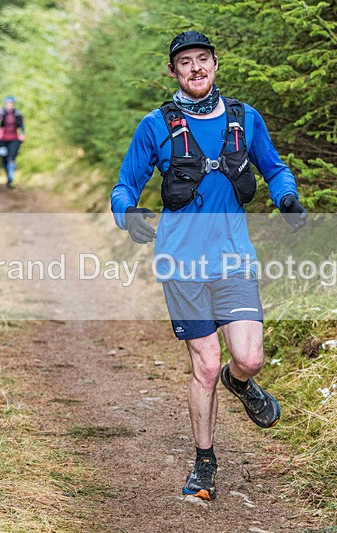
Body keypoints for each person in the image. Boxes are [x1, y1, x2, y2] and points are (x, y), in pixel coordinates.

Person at [110, 30, 308, 501]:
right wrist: (129, 215)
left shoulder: (246, 119)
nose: (195, 68)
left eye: (203, 60)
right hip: (180, 265)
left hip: (233, 259)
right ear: (174, 72)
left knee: (249, 358)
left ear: (216, 65)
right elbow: (123, 188)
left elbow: (275, 168)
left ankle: (239, 384)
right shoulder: (155, 126)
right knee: (206, 363)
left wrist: (287, 197)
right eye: (186, 63)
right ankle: (204, 463)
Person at [0, 96, 26, 188]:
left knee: (11, 158)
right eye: (8, 103)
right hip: (2, 139)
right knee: (4, 158)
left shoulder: (17, 114)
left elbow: (22, 125)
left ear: (13, 104)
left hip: (14, 138)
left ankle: (10, 178)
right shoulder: (0, 113)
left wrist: (23, 134)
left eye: (12, 103)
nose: (10, 105)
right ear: (5, 104)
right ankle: (8, 176)